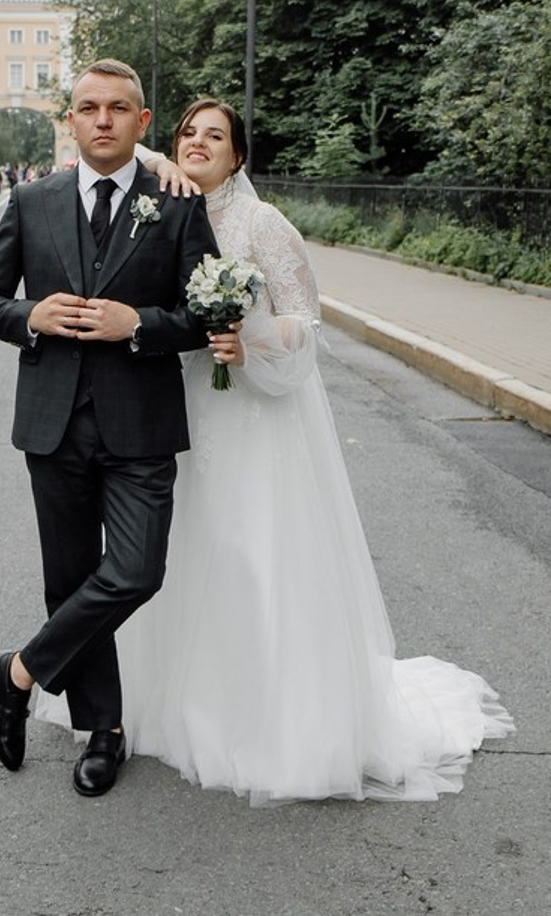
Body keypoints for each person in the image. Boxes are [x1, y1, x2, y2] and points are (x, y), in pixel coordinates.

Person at [43, 98, 515, 806]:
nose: (199, 143)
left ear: (240, 156)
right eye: (188, 134)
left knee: (250, 552)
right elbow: (107, 153)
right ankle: (166, 702)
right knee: (181, 553)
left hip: (251, 413)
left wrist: (250, 342)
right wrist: (163, 163)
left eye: (216, 136)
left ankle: (259, 716)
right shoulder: (163, 202)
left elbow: (305, 322)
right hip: (184, 410)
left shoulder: (261, 224)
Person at [0, 60, 219, 797]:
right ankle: (102, 731)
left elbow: (207, 317)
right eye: (87, 108)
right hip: (52, 425)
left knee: (137, 573)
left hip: (141, 424)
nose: (102, 119)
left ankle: (15, 673)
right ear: (69, 121)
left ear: (143, 123)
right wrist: (29, 318)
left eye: (118, 109)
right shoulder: (30, 200)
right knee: (69, 583)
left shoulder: (174, 203)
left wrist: (139, 324)